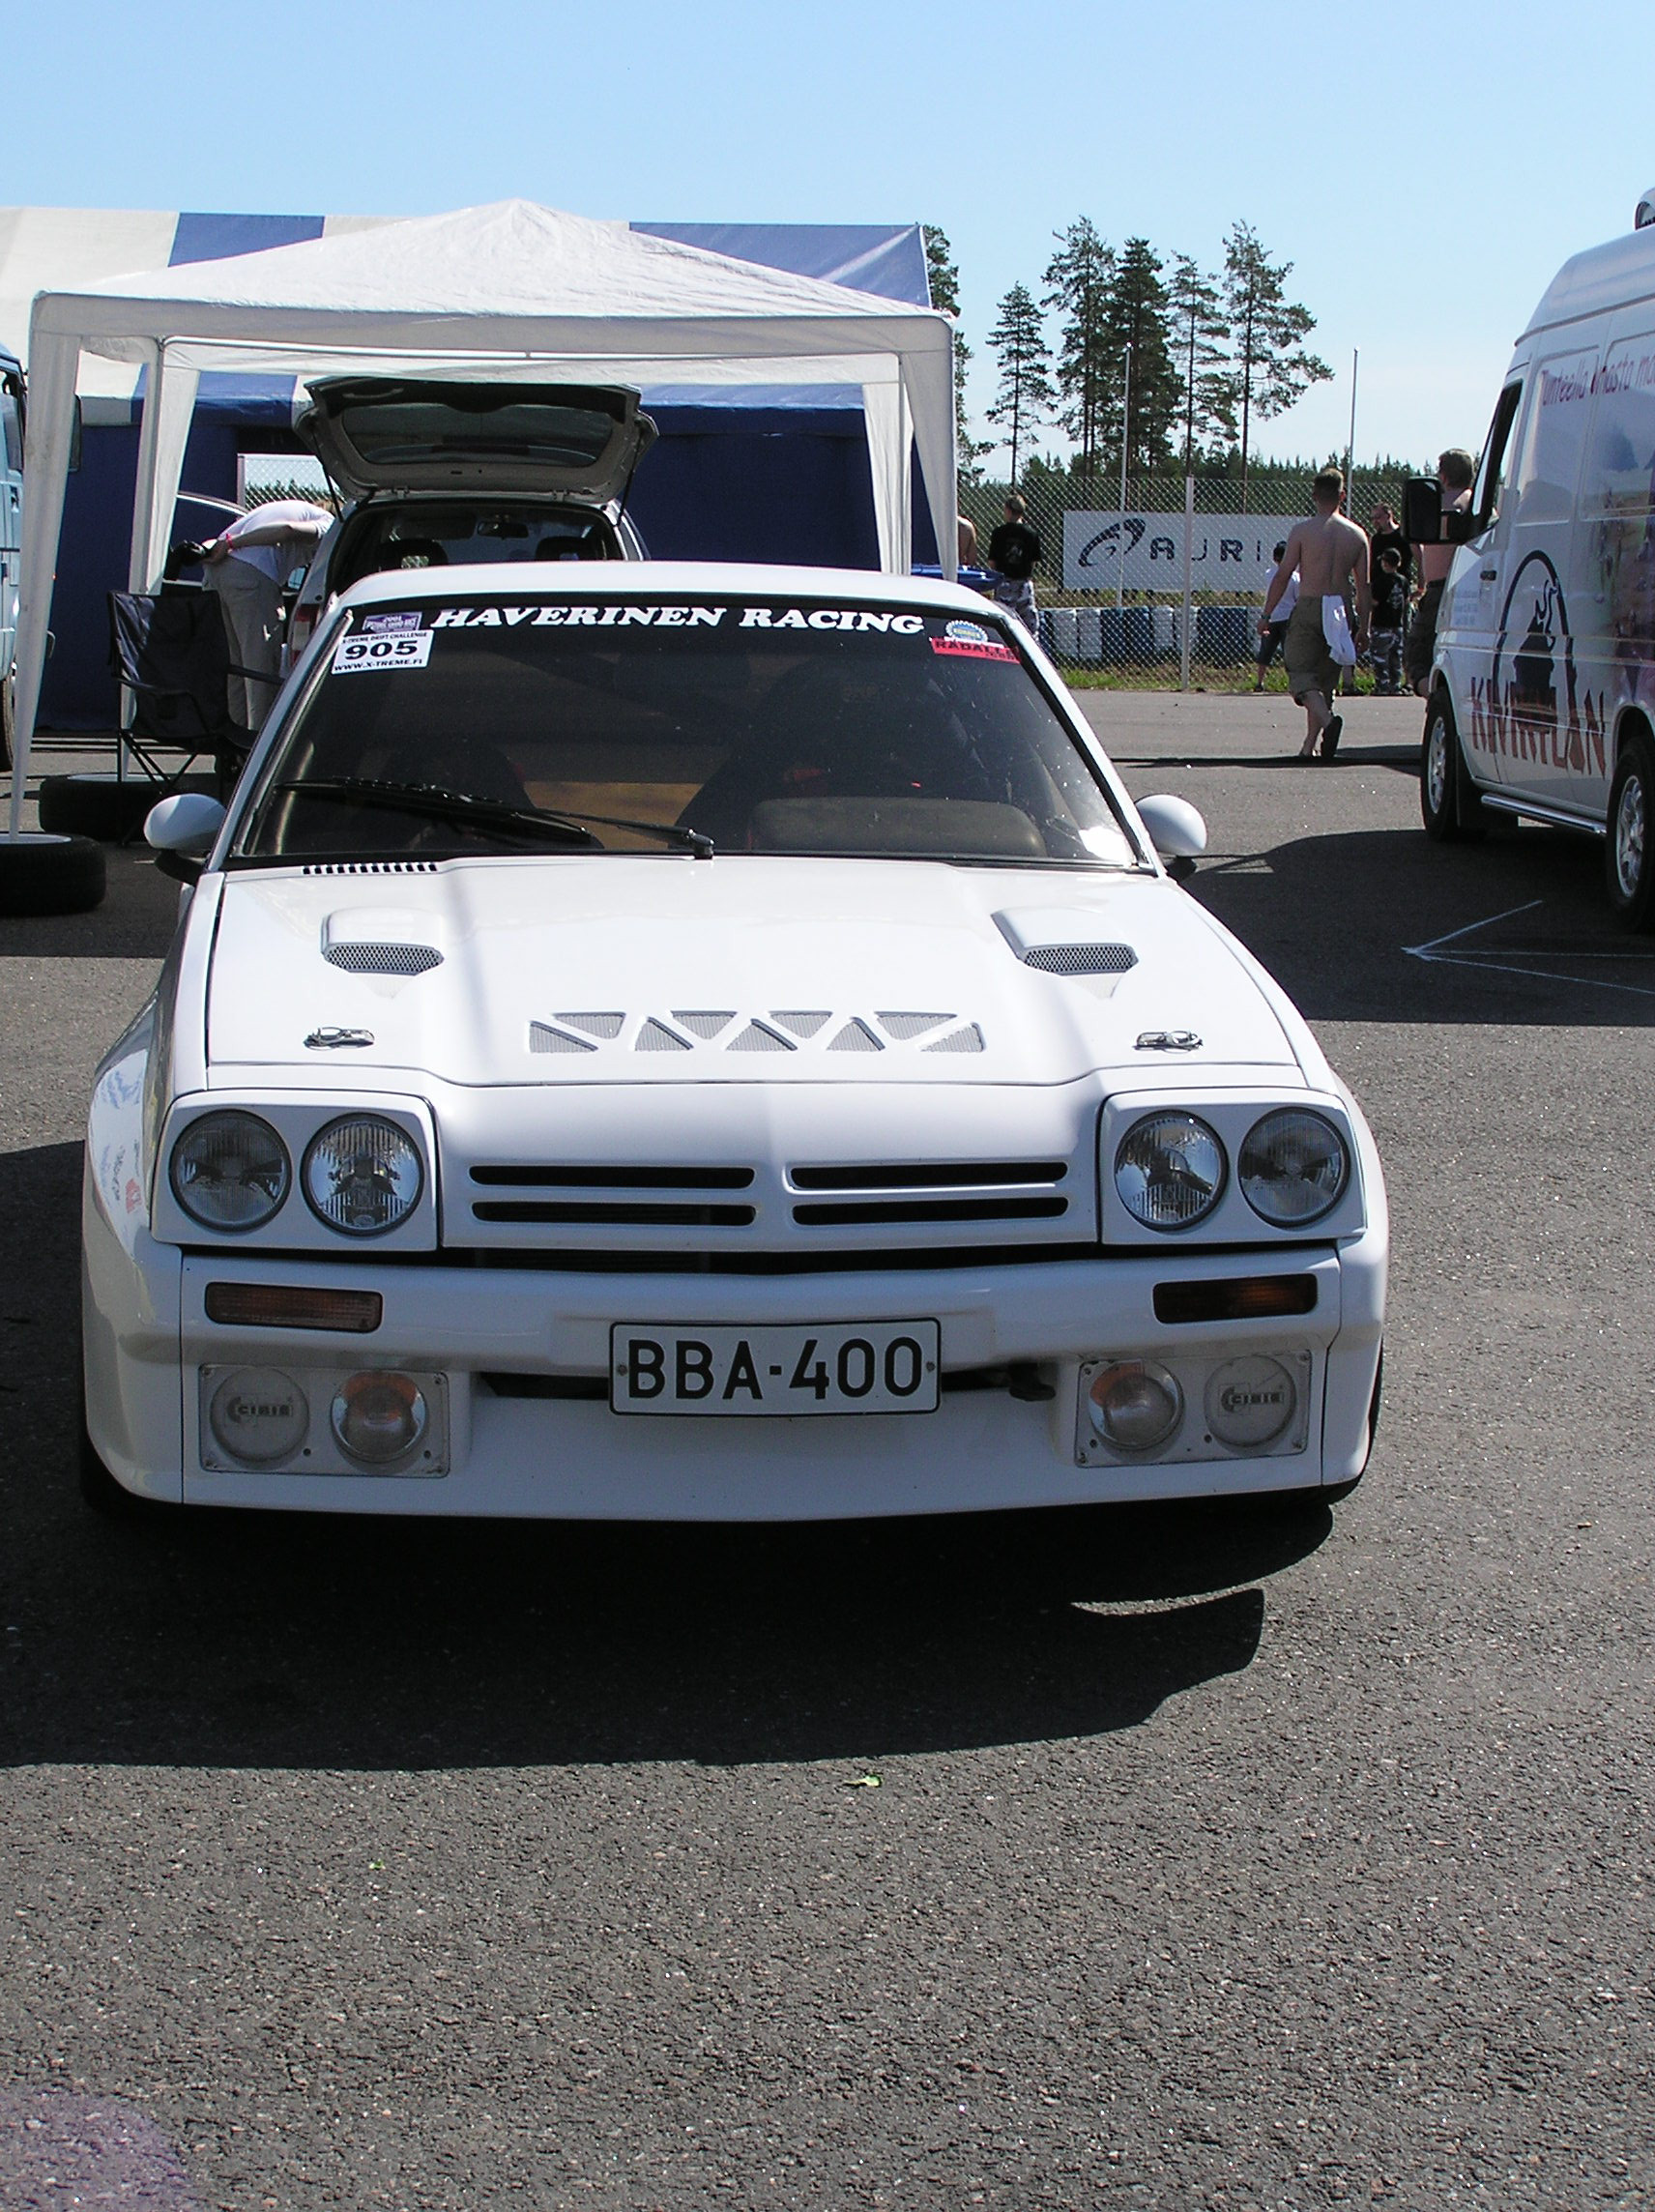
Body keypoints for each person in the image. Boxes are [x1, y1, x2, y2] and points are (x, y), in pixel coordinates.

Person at [1261, 467, 1370, 760]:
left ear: (1314, 495)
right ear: (1342, 495)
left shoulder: (1303, 532)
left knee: (1299, 671)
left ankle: (1330, 723)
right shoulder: (1357, 535)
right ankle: (1311, 745)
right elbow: (1363, 586)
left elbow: (1283, 576)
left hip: (1311, 601)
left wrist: (1267, 613)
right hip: (1341, 606)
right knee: (1326, 679)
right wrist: (1364, 627)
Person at [204, 498, 333, 728]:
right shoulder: (328, 523)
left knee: (235, 668)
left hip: (216, 571)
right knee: (259, 668)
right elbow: (287, 530)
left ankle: (235, 748)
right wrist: (233, 543)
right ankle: (261, 746)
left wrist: (228, 545)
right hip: (250, 575)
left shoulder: (286, 508)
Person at [1406, 449, 1475, 696]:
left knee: (1417, 659)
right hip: (1472, 591)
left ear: (1443, 476)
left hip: (1440, 592)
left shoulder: (1441, 506)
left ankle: (1438, 697)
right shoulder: (1479, 506)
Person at [986, 494, 1042, 635]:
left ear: (1008, 510)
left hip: (1004, 582)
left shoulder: (999, 533)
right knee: (1029, 626)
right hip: (1024, 583)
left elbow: (992, 562)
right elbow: (1033, 561)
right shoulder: (1031, 534)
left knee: (1004, 623)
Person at [1254, 542, 1298, 688]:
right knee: (1290, 652)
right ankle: (1293, 682)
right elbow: (1296, 598)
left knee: (1266, 651)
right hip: (1288, 618)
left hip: (1272, 616)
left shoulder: (1269, 574)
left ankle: (1259, 682)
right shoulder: (1295, 578)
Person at [1368, 546, 1408, 694]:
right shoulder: (1403, 581)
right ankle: (1395, 684)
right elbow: (1406, 600)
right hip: (1397, 624)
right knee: (1395, 657)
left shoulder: (1380, 582)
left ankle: (1382, 686)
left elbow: (1375, 601)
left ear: (1385, 564)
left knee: (1380, 657)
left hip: (1381, 625)